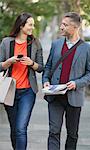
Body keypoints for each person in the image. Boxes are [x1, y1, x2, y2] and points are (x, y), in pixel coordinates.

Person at [42, 12, 90, 150]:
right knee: (53, 131)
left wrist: (76, 83)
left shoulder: (88, 49)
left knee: (72, 134)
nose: (61, 27)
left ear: (75, 27)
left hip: (74, 98)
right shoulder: (56, 44)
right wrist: (46, 80)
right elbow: (48, 67)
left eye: (65, 25)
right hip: (55, 96)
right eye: (61, 24)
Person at [0, 12, 43, 150]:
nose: (32, 27)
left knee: (20, 129)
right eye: (30, 24)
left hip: (28, 92)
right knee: (14, 129)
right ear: (21, 25)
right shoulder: (6, 42)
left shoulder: (35, 43)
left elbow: (41, 67)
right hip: (9, 91)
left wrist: (31, 63)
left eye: (33, 25)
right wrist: (9, 61)